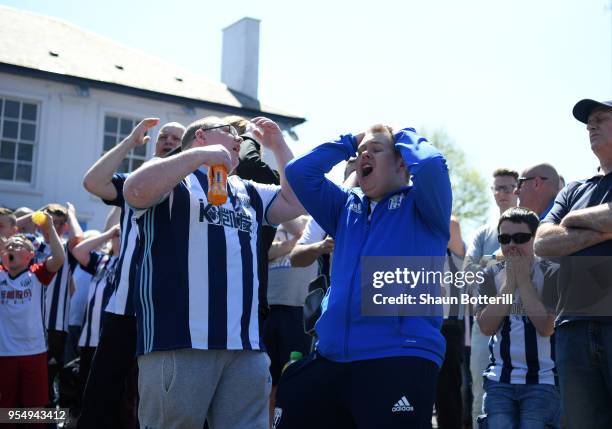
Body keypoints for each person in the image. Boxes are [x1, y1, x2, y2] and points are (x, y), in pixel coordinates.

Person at [123, 115, 303, 429]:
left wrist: (278, 145)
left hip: (245, 346)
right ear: (201, 137)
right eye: (228, 132)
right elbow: (134, 189)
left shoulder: (246, 190)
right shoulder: (174, 180)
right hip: (179, 340)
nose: (238, 138)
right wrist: (200, 157)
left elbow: (296, 202)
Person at [276, 124, 452, 428]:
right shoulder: (345, 207)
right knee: (292, 391)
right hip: (331, 356)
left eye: (376, 149)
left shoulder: (425, 205)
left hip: (398, 355)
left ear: (402, 162)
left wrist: (402, 134)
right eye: (361, 153)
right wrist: (349, 143)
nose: (364, 155)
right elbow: (299, 172)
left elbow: (433, 164)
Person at [78, 119, 185, 429]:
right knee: (101, 396)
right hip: (124, 308)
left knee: (154, 400)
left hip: (166, 313)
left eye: (176, 137)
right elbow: (93, 182)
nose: (167, 140)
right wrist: (128, 143)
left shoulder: (195, 189)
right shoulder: (135, 182)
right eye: (163, 136)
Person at [535, 98, 612, 428]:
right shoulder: (573, 191)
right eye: (588, 121)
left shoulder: (568, 205)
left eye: (601, 118)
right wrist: (603, 228)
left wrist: (573, 223)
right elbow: (542, 242)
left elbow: (558, 236)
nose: (590, 125)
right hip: (573, 330)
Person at [477, 207, 560, 428]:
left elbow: (546, 327)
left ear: (535, 239)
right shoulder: (490, 273)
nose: (511, 245)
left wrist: (523, 282)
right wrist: (509, 284)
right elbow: (485, 327)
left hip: (542, 381)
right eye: (504, 238)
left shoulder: (552, 271)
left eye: (520, 238)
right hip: (499, 380)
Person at [462, 167, 518, 426]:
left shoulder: (537, 226)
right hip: (485, 325)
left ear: (518, 189)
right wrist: (501, 258)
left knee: (529, 395)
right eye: (497, 188)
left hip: (526, 324)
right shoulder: (484, 233)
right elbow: (467, 275)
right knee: (480, 396)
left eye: (507, 187)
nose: (502, 193)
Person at [0, 217, 65, 427]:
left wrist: (50, 227)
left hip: (33, 352)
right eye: (9, 245)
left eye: (18, 245)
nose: (11, 246)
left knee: (35, 411)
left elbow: (59, 257)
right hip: (4, 354)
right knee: (5, 411)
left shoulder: (37, 274)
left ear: (30, 256)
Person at [263, 216, 316, 422]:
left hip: (297, 310)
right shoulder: (269, 218)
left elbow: (304, 229)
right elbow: (265, 252)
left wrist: (283, 246)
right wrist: (293, 244)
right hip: (268, 308)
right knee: (267, 383)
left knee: (294, 380)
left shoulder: (312, 219)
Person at [71, 225, 120, 418]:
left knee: (102, 388)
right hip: (89, 336)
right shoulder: (102, 260)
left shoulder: (129, 262)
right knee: (83, 384)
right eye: (118, 235)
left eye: (123, 235)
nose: (119, 238)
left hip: (110, 338)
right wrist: (108, 233)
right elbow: (78, 250)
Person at [435, 216, 466, 429]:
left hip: (448, 324)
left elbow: (450, 223)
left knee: (447, 397)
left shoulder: (449, 226)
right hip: (414, 322)